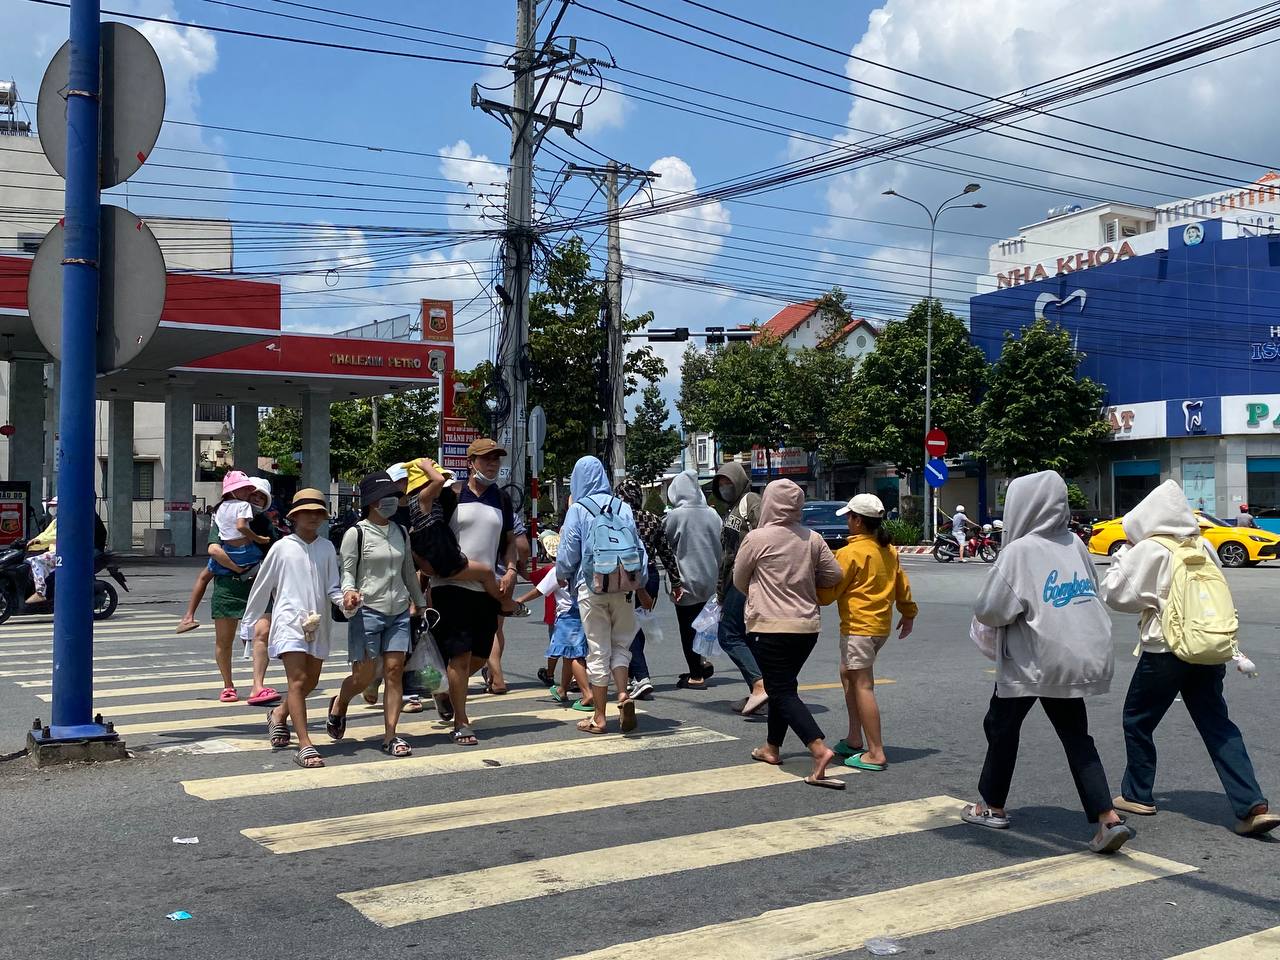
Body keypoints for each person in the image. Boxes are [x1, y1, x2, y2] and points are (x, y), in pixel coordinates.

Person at [963, 470, 1134, 854]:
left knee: (1001, 727)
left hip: (1029, 662)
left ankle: (992, 806)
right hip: (1070, 659)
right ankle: (1107, 818)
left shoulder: (1018, 551)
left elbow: (991, 609)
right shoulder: (1074, 544)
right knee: (1076, 737)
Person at [1100, 480, 1278, 837]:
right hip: (1208, 647)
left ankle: (1137, 795)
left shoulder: (1150, 549)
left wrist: (1123, 556)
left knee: (1138, 719)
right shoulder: (1203, 544)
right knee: (1217, 723)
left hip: (1165, 650)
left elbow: (1116, 595)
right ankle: (1252, 805)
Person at [733, 479, 845, 788]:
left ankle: (818, 748)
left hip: (769, 626)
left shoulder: (757, 538)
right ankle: (772, 747)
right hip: (806, 628)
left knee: (780, 689)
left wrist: (761, 592)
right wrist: (805, 582)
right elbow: (834, 575)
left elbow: (739, 579)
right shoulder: (812, 539)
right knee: (783, 685)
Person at [326, 471, 428, 758]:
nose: (391, 502)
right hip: (367, 611)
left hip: (399, 611)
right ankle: (340, 702)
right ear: (371, 501)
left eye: (393, 496)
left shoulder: (401, 531)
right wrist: (349, 593)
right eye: (385, 497)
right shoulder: (356, 533)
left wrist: (419, 602)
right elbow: (347, 572)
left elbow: (407, 570)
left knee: (395, 671)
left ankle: (390, 735)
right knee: (363, 677)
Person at [244, 488, 345, 770]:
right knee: (298, 681)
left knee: (310, 682)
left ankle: (278, 714)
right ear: (295, 516)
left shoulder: (327, 547)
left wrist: (346, 601)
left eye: (318, 512)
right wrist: (249, 625)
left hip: (318, 622)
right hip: (289, 622)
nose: (313, 517)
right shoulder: (282, 547)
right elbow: (262, 586)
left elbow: (333, 587)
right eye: (307, 512)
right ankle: (305, 744)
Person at [818, 494, 917, 772]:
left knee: (862, 685)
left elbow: (829, 592)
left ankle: (875, 752)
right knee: (847, 674)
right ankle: (853, 738)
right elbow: (902, 585)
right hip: (878, 627)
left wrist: (808, 591)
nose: (848, 522)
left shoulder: (850, 553)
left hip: (859, 628)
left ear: (858, 521)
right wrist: (908, 613)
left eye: (850, 517)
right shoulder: (887, 549)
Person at [430, 439, 518, 746]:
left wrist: (511, 569)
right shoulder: (452, 494)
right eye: (486, 458)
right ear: (471, 463)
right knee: (461, 655)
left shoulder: (502, 499)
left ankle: (445, 690)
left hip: (487, 588)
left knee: (480, 657)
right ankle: (461, 721)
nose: (492, 463)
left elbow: (510, 541)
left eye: (496, 459)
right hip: (452, 585)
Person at [556, 456, 649, 736]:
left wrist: (562, 573)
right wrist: (639, 582)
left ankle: (599, 717)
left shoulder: (578, 509)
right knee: (621, 645)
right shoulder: (623, 507)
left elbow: (569, 551)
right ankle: (622, 694)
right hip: (623, 587)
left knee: (597, 649)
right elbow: (638, 548)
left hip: (592, 587)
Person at [615, 477, 687, 693]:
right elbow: (666, 553)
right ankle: (631, 674)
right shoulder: (653, 519)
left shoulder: (617, 518)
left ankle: (641, 676)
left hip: (626, 577)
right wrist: (676, 581)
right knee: (637, 625)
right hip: (651, 576)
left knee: (627, 628)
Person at [713, 460, 768, 716]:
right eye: (721, 483)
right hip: (732, 580)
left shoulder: (751, 501)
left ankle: (760, 685)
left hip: (747, 578)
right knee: (746, 637)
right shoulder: (731, 509)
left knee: (728, 634)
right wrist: (720, 590)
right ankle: (759, 692)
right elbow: (726, 554)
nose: (725, 487)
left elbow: (764, 536)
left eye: (729, 482)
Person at [661, 470, 723, 693]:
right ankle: (701, 663)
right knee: (704, 625)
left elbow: (663, 541)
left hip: (686, 580)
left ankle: (696, 675)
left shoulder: (676, 516)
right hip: (711, 579)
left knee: (687, 628)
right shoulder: (713, 515)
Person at [23, 497, 60, 604]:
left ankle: (40, 593)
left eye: (54, 506)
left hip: (60, 554)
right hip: (52, 552)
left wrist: (38, 541)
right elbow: (44, 535)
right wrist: (30, 544)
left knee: (36, 561)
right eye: (51, 506)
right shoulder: (55, 521)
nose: (52, 508)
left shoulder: (66, 521)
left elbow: (54, 536)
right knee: (28, 561)